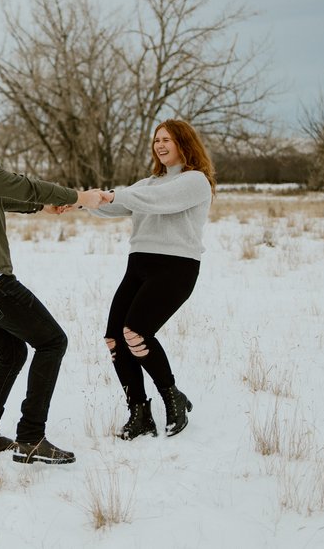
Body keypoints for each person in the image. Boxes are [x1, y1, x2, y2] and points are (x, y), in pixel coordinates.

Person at [0, 97, 111, 465]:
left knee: (12, 352)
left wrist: (43, 207)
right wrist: (81, 197)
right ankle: (31, 438)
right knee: (52, 341)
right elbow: (21, 185)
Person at [88, 119, 215, 439]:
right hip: (139, 265)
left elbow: (153, 201)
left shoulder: (195, 181)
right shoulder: (148, 183)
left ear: (184, 143)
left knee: (136, 332)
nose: (160, 145)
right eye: (157, 140)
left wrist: (113, 195)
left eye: (167, 140)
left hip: (176, 267)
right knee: (115, 338)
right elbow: (117, 206)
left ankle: (173, 398)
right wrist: (82, 201)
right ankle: (140, 413)